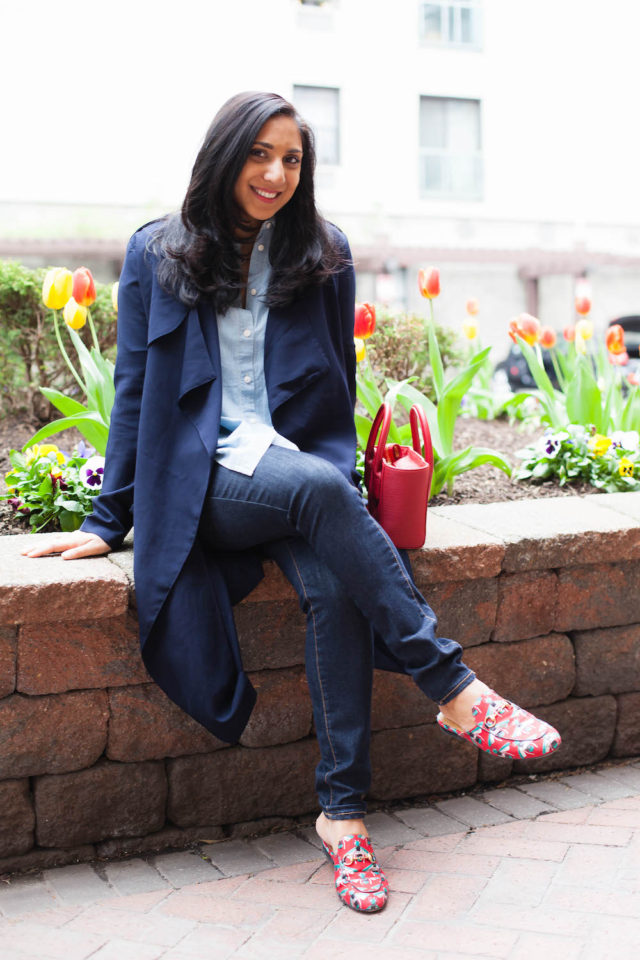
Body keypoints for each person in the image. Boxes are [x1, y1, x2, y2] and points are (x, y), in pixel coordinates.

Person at [22, 91, 561, 914]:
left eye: (293, 159)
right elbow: (134, 390)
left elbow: (335, 389)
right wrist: (107, 518)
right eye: (259, 155)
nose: (276, 174)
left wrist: (331, 473)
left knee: (333, 580)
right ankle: (453, 688)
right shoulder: (158, 253)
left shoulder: (322, 253)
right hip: (206, 483)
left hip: (297, 472)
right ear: (226, 155)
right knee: (315, 487)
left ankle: (343, 822)